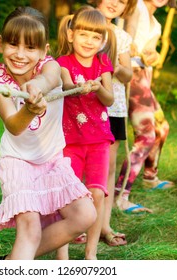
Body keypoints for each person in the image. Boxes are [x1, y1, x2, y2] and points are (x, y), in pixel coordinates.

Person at [0, 6, 96, 260]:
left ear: (44, 50)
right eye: (13, 44)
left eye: (31, 48)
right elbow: (14, 125)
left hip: (51, 161)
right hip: (18, 162)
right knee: (30, 229)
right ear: (0, 44)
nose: (20, 55)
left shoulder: (51, 68)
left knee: (85, 216)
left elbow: (48, 79)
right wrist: (30, 108)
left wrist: (35, 86)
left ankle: (11, 263)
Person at [55, 5, 116, 260]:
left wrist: (97, 87)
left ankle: (91, 252)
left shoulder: (103, 63)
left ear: (102, 41)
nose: (89, 41)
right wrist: (79, 87)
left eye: (95, 37)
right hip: (70, 141)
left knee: (97, 193)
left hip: (99, 140)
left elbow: (110, 98)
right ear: (71, 35)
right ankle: (62, 252)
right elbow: (67, 85)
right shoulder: (63, 63)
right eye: (83, 34)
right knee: (68, 196)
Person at [114, 0, 177, 214]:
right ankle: (120, 195)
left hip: (144, 77)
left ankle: (150, 177)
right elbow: (128, 36)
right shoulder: (136, 6)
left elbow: (150, 53)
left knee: (162, 128)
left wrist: (155, 56)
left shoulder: (157, 24)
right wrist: (132, 46)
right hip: (130, 76)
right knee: (146, 136)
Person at [94, 0, 137, 246]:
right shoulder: (81, 26)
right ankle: (77, 222)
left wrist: (117, 65)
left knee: (107, 168)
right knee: (79, 165)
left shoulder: (121, 36)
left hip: (113, 107)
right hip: (83, 106)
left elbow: (128, 73)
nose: (114, 2)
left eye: (122, 1)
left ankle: (103, 225)